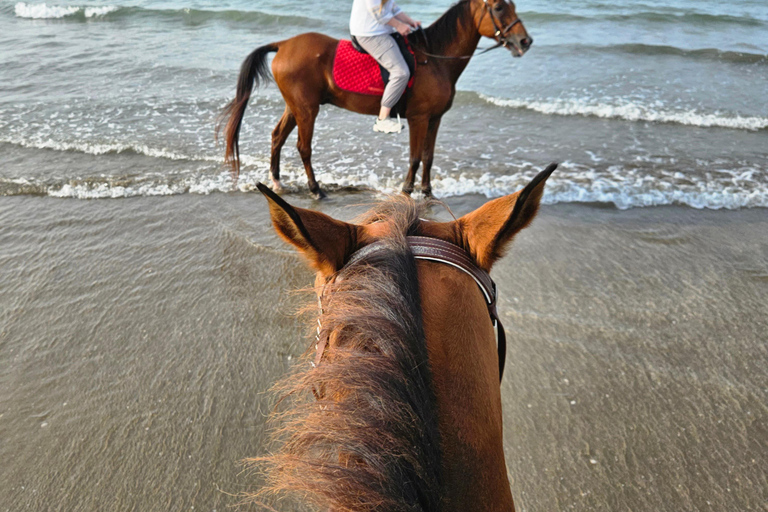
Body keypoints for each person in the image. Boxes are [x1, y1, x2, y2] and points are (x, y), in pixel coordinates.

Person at [350, 0, 421, 133]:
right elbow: (377, 12)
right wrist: (399, 25)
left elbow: (392, 7)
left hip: (382, 31)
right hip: (370, 34)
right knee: (400, 72)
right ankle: (382, 119)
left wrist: (410, 21)